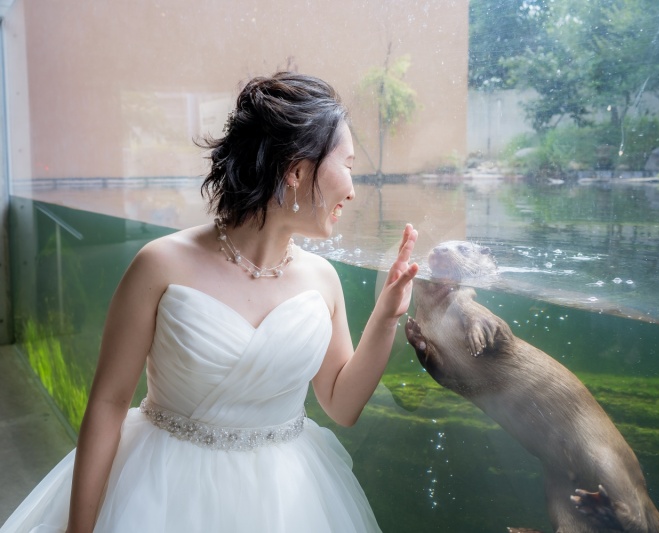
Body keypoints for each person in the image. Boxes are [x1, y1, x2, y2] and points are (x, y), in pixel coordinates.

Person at [1, 72, 418, 533]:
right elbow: (109, 402)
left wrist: (386, 314)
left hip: (288, 502)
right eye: (349, 166)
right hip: (161, 494)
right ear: (297, 171)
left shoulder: (323, 279)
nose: (353, 190)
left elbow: (342, 405)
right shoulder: (159, 264)